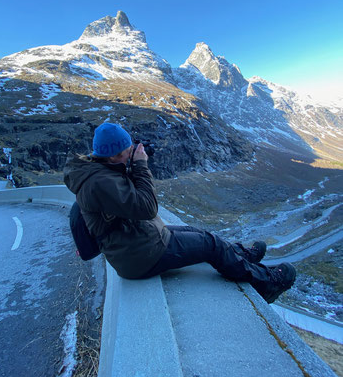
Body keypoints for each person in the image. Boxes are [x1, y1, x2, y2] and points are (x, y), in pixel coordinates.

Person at [63, 122, 296, 304]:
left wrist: (130, 164)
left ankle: (240, 254)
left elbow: (126, 198)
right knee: (210, 245)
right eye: (127, 151)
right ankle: (265, 284)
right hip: (140, 256)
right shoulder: (99, 183)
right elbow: (146, 207)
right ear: (112, 156)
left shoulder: (102, 170)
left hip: (137, 240)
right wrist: (141, 166)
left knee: (200, 233)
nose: (131, 153)